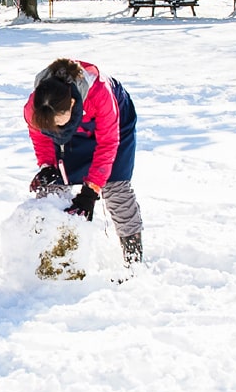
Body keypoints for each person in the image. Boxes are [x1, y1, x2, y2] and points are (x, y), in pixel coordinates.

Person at [24, 58, 146, 265]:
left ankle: (132, 261)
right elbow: (40, 135)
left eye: (58, 124)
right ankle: (54, 258)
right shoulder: (37, 106)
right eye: (52, 126)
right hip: (74, 131)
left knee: (116, 188)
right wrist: (47, 165)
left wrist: (91, 190)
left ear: (72, 104)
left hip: (114, 126)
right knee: (53, 187)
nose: (55, 128)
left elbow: (108, 144)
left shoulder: (100, 93)